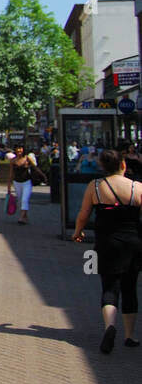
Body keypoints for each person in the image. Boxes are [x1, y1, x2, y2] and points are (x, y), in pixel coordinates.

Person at [73, 149, 142, 353]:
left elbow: (84, 214)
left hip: (105, 243)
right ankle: (130, 335)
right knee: (130, 287)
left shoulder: (95, 187)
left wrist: (78, 232)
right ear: (123, 165)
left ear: (102, 166)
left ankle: (110, 326)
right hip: (133, 243)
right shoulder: (137, 187)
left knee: (109, 287)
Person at [7, 145, 43, 225]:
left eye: (20, 148)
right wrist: (9, 186)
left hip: (27, 182)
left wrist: (43, 176)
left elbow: (35, 167)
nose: (19, 150)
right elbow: (11, 173)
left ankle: (21, 217)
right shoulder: (13, 161)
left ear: (23, 149)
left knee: (24, 200)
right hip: (17, 182)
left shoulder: (27, 158)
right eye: (17, 148)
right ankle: (25, 217)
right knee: (20, 200)